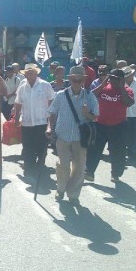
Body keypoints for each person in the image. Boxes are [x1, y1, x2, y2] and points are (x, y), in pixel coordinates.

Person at [47, 66, 99, 205]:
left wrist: (87, 113)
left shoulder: (89, 95)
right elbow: (52, 112)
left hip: (80, 138)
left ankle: (74, 195)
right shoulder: (61, 95)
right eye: (74, 79)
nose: (76, 82)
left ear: (83, 80)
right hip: (62, 135)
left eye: (79, 80)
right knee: (62, 164)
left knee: (79, 167)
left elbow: (95, 117)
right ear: (69, 79)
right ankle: (61, 189)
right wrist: (49, 128)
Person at [86, 69, 134, 183]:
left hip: (118, 126)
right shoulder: (104, 88)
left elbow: (129, 103)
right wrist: (103, 84)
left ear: (122, 80)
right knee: (94, 150)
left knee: (117, 151)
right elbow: (90, 95)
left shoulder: (127, 90)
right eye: (111, 77)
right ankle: (89, 172)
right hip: (101, 124)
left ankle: (115, 174)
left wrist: (121, 87)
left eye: (116, 79)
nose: (113, 80)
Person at [14, 63, 55, 173]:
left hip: (42, 122)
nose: (30, 74)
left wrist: (51, 122)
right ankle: (29, 165)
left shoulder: (45, 85)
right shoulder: (22, 88)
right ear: (25, 74)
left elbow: (52, 101)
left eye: (32, 72)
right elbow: (18, 103)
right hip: (27, 122)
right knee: (27, 145)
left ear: (36, 73)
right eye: (27, 73)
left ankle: (40, 163)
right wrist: (16, 118)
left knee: (41, 145)